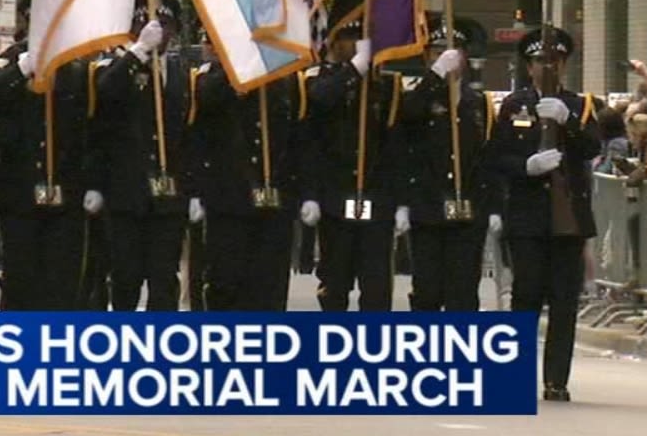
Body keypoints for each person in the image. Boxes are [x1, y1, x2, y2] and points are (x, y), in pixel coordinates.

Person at [482, 27, 600, 402]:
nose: (546, 67)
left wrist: (568, 121)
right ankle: (516, 376)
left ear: (564, 64)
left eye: (553, 61)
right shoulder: (513, 106)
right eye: (538, 62)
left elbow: (591, 148)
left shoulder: (581, 106)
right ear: (528, 66)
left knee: (564, 302)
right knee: (526, 297)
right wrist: (527, 166)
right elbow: (496, 158)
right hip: (527, 216)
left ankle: (556, 380)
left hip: (567, 220)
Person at [184, 23, 306, 311]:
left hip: (275, 200)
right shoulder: (208, 78)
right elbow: (204, 111)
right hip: (228, 198)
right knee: (226, 282)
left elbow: (298, 139)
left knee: (269, 286)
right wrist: (240, 64)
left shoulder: (286, 80)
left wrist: (301, 191)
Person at [91, 0, 195, 311]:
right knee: (125, 280)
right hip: (126, 195)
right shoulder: (113, 68)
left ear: (174, 30)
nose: (156, 32)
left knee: (164, 280)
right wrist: (137, 52)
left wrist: (194, 190)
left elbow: (189, 134)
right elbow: (106, 92)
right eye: (145, 25)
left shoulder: (182, 72)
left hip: (169, 199)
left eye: (164, 25)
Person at [393, 18, 495, 312]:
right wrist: (435, 76)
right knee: (427, 292)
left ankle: (457, 355)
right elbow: (407, 123)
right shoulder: (419, 96)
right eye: (436, 51)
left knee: (463, 294)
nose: (444, 57)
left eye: (451, 51)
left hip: (467, 213)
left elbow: (488, 158)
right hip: (428, 208)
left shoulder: (478, 103)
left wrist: (494, 208)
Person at [303, 21, 401, 312]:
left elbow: (395, 143)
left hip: (376, 196)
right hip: (334, 195)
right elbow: (320, 102)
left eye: (361, 38)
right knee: (335, 284)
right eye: (347, 38)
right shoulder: (317, 77)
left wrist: (401, 201)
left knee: (376, 289)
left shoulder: (384, 83)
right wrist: (354, 70)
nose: (356, 44)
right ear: (333, 42)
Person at [0, 48, 95, 310]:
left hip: (65, 191)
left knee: (61, 280)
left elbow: (89, 130)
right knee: (20, 279)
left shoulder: (76, 69)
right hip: (19, 193)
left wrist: (92, 182)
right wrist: (21, 70)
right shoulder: (12, 61)